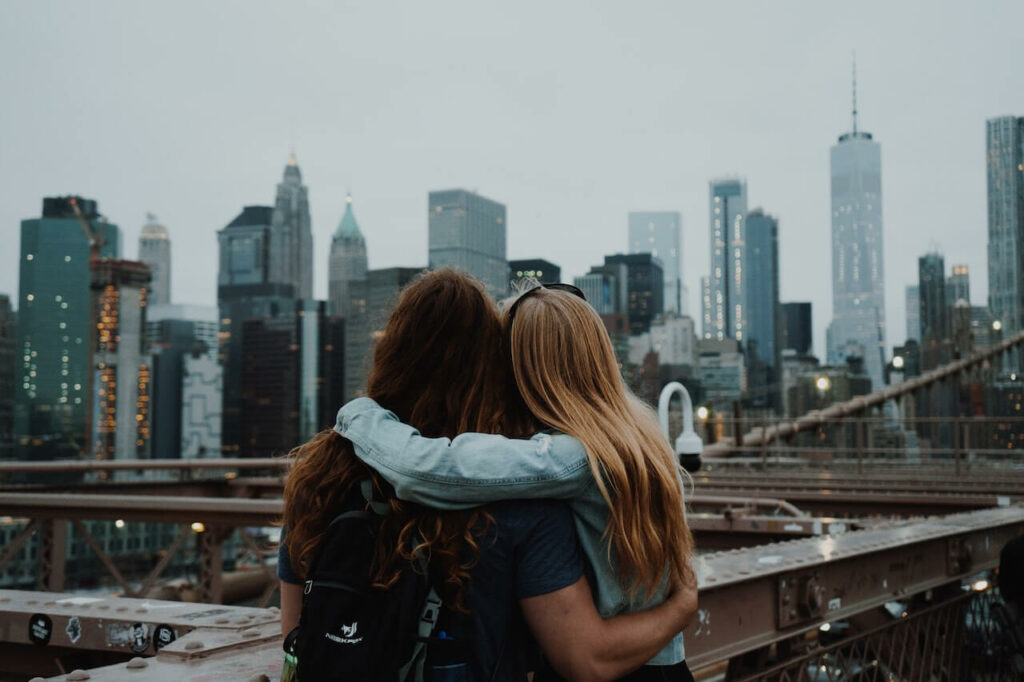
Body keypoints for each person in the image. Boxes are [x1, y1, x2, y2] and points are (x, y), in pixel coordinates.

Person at [280, 270, 697, 681]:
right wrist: (679, 609)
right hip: (651, 660)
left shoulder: (568, 459)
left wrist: (358, 414)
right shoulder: (640, 440)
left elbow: (431, 469)